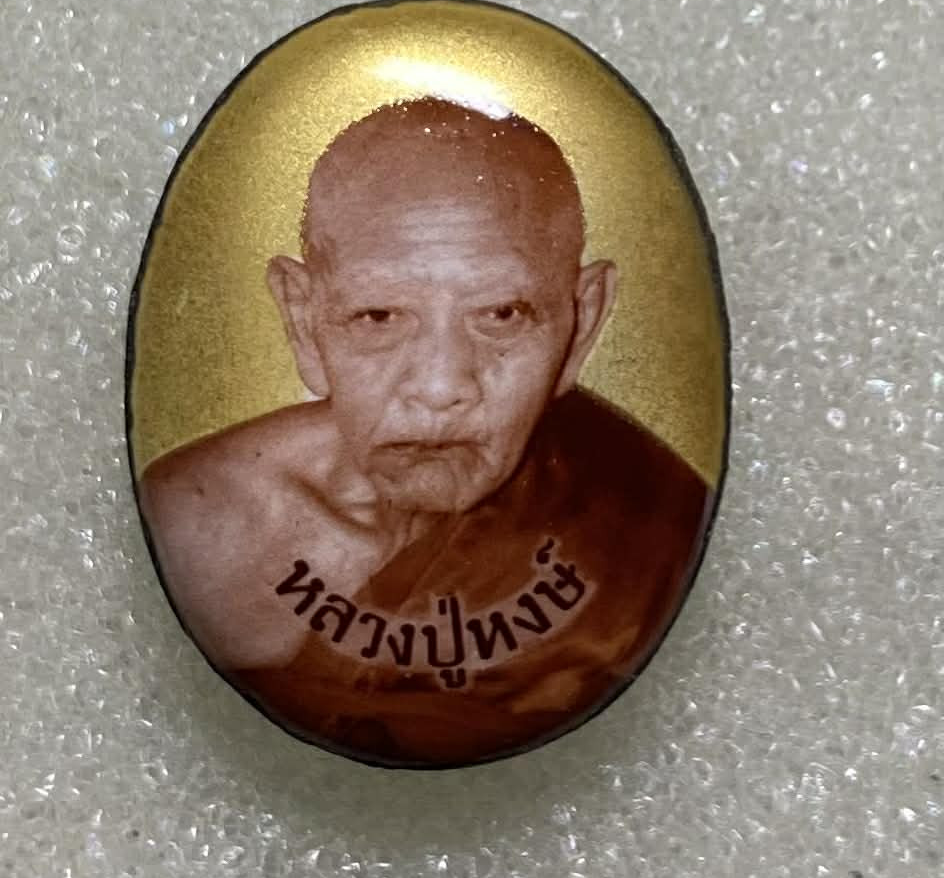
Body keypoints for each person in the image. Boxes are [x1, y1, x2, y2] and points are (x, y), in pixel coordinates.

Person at [140, 97, 711, 766]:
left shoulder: (650, 524)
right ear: (302, 317)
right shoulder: (196, 528)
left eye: (502, 314)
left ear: (582, 322)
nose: (441, 387)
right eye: (378, 317)